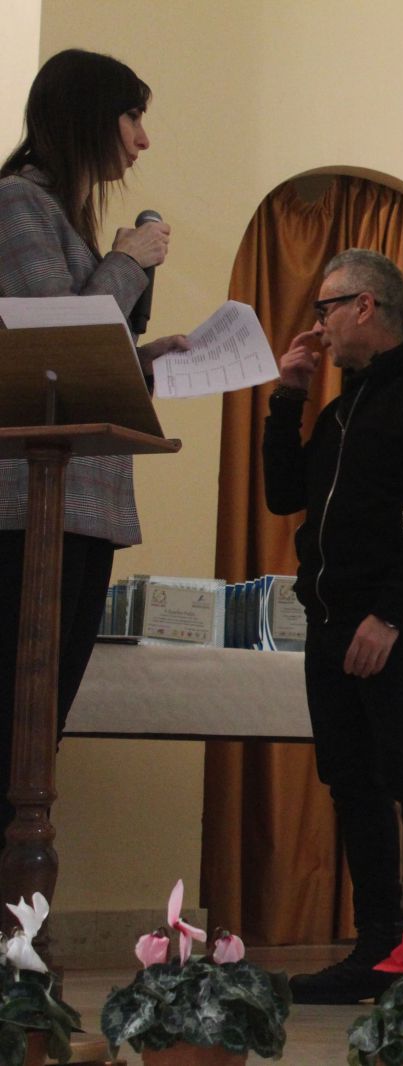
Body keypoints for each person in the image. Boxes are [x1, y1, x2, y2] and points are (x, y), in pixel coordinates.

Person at [262, 249, 403, 1003]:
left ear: (365, 306)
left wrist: (388, 615)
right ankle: (378, 946)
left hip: (396, 622)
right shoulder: (342, 408)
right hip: (331, 622)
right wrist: (288, 398)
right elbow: (282, 493)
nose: (318, 326)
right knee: (352, 783)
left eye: (325, 309)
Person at [0, 49, 187, 839]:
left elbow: (80, 353)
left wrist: (146, 358)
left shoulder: (62, 217)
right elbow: (53, 339)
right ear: (88, 115)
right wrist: (124, 261)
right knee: (16, 733)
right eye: (132, 116)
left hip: (84, 507)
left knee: (39, 737)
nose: (142, 139)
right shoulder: (18, 202)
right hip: (30, 505)